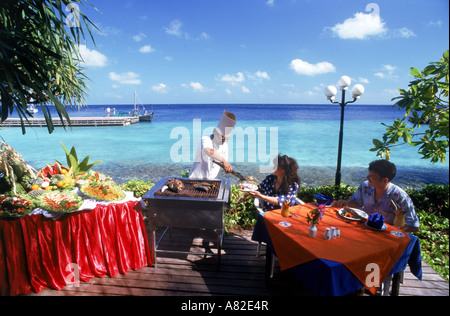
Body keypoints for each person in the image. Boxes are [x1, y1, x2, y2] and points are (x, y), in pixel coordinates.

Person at [333, 159, 420, 232]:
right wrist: (347, 203)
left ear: (385, 180)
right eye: (368, 174)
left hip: (385, 236)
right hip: (364, 229)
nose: (367, 177)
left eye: (372, 176)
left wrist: (393, 231)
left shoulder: (400, 197)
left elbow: (414, 226)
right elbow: (356, 202)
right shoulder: (365, 186)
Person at [189, 111, 236, 180]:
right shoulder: (206, 139)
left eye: (226, 139)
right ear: (216, 134)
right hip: (196, 179)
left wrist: (226, 169)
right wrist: (224, 160)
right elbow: (208, 151)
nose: (224, 141)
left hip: (212, 181)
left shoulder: (225, 146)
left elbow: (222, 164)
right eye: (223, 138)